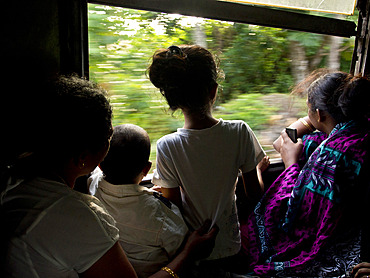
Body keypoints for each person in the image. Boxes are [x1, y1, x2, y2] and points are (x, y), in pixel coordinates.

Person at [1, 75, 218, 278]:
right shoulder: (79, 217)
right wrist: (189, 253)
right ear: (82, 158)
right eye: (107, 136)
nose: (110, 140)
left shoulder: (15, 180)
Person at [241, 69, 370, 277]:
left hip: (342, 243)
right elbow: (281, 141)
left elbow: (292, 215)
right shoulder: (356, 131)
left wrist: (291, 164)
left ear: (319, 114)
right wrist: (316, 116)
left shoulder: (331, 153)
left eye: (308, 110)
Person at [148, 45, 266, 265]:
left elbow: (174, 210)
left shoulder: (167, 146)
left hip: (192, 250)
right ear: (213, 91)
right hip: (231, 246)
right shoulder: (239, 131)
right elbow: (254, 194)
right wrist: (258, 169)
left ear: (173, 100)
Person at [88, 124, 188, 277]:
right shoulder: (159, 214)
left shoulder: (92, 185)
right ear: (147, 169)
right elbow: (181, 244)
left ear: (100, 165)